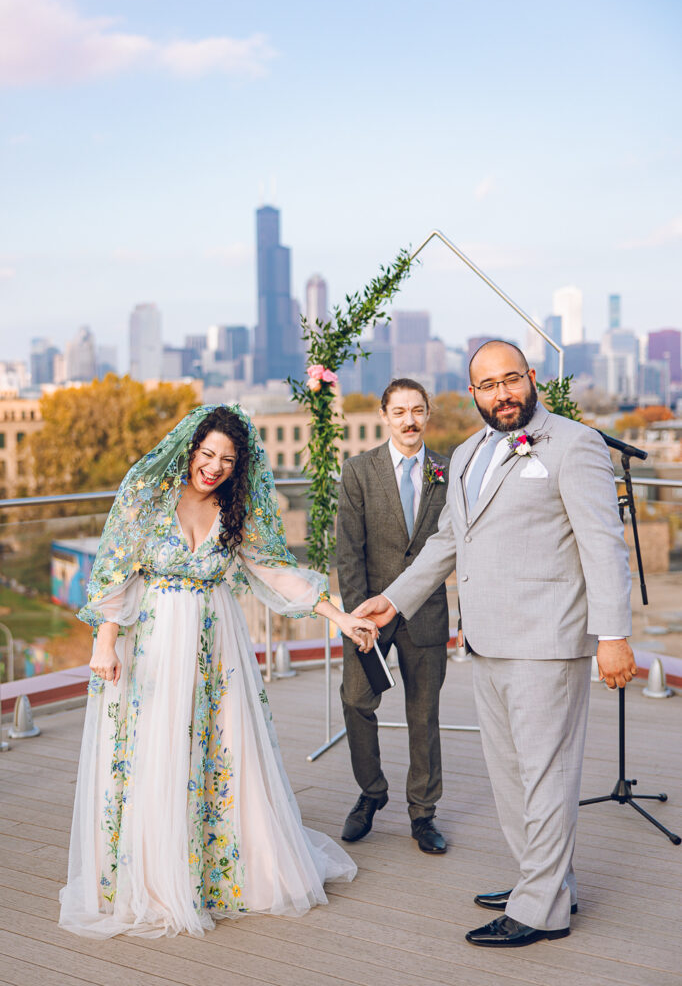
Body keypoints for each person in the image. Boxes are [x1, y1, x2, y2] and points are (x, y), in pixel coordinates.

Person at [355, 341, 636, 948]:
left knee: (545, 774)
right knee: (511, 775)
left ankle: (542, 910)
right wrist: (395, 599)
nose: (502, 393)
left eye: (511, 380)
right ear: (473, 392)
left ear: (531, 378)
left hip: (549, 640)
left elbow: (604, 546)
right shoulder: (464, 455)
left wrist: (613, 635)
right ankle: (543, 879)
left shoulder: (575, 444)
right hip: (485, 639)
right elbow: (447, 542)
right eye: (488, 385)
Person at [59, 404, 377, 939]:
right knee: (153, 755)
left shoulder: (236, 512)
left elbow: (277, 572)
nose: (214, 467)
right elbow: (113, 571)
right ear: (189, 450)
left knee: (218, 753)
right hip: (153, 643)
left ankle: (213, 877)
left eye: (227, 460)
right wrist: (105, 644)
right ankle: (155, 879)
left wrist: (339, 616)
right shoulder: (146, 497)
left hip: (214, 644)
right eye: (207, 454)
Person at [336, 379, 450, 854]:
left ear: (427, 414)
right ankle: (371, 792)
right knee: (356, 701)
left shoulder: (449, 470)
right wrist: (361, 619)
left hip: (427, 613)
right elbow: (349, 552)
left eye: (418, 410)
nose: (410, 420)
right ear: (384, 415)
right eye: (400, 411)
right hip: (371, 613)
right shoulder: (359, 471)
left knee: (423, 716)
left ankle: (423, 814)